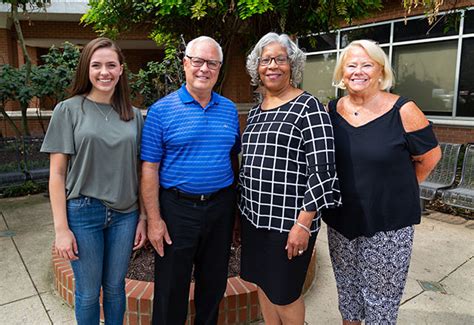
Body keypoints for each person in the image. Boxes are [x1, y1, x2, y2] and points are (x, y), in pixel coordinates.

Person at [324, 39, 442, 325]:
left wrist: (397, 190)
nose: (358, 71)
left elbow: (430, 157)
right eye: (351, 65)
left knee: (380, 307)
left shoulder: (403, 110)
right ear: (342, 71)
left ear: (380, 71)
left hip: (389, 225)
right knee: (348, 298)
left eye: (367, 65)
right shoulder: (331, 109)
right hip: (342, 221)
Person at [41, 37, 147, 324]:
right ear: (86, 69)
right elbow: (57, 174)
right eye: (96, 65)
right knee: (88, 293)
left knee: (114, 289)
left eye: (111, 65)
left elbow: (139, 172)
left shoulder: (134, 116)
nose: (104, 72)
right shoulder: (69, 110)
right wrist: (61, 229)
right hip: (83, 212)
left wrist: (143, 217)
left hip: (126, 215)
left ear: (121, 70)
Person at [239, 32, 341, 324]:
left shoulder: (308, 107)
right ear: (257, 67)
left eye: (280, 59)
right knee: (262, 284)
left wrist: (303, 224)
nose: (272, 66)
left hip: (289, 223)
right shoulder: (258, 111)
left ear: (292, 65)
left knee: (284, 294)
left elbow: (323, 171)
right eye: (265, 60)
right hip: (254, 218)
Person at [140, 36, 241, 325]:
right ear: (185, 63)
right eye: (198, 61)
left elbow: (232, 160)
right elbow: (149, 169)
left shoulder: (229, 110)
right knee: (171, 288)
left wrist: (233, 213)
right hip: (177, 211)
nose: (204, 69)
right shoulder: (161, 111)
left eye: (212, 63)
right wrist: (154, 220)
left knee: (214, 284)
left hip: (220, 207)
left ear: (219, 68)